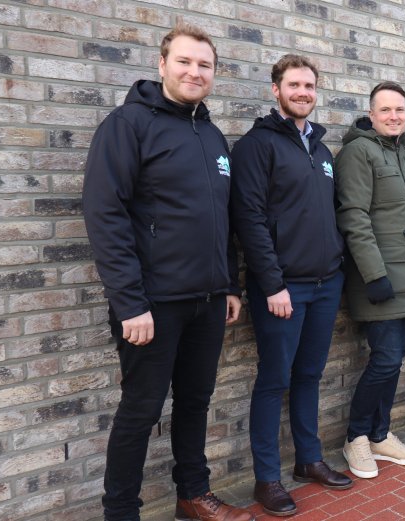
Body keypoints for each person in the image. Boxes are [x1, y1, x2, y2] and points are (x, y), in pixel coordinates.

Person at [82, 24, 253, 521]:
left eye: (205, 65)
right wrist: (129, 302)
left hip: (208, 300)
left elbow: (222, 218)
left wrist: (229, 284)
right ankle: (121, 513)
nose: (194, 72)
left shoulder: (212, 135)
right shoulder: (128, 125)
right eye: (184, 61)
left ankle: (192, 496)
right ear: (161, 65)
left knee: (195, 402)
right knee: (140, 411)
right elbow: (104, 214)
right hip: (152, 305)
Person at [229, 54, 351, 517]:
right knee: (274, 380)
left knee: (309, 375)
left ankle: (309, 459)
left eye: (309, 86)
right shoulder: (256, 146)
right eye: (294, 85)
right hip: (283, 289)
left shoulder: (321, 150)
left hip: (326, 284)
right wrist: (272, 284)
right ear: (275, 90)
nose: (303, 92)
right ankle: (267, 479)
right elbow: (249, 220)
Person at [334, 81, 405, 479]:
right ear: (371, 114)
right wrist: (375, 274)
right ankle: (356, 438)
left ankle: (379, 435)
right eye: (385, 110)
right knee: (385, 360)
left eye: (399, 110)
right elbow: (354, 216)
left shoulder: (401, 152)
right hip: (379, 279)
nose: (394, 116)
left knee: (393, 361)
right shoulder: (359, 152)